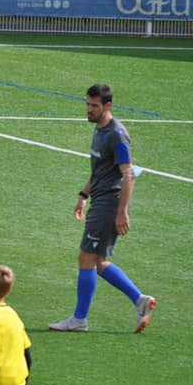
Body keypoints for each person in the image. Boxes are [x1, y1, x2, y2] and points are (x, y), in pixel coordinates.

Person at [49, 83, 156, 333]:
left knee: (86, 257)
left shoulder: (117, 135)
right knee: (98, 262)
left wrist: (122, 211)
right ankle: (140, 301)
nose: (89, 109)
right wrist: (83, 195)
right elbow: (99, 171)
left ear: (108, 106)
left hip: (109, 204)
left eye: (94, 106)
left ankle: (79, 319)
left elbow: (128, 174)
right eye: (87, 104)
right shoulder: (99, 130)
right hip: (99, 200)